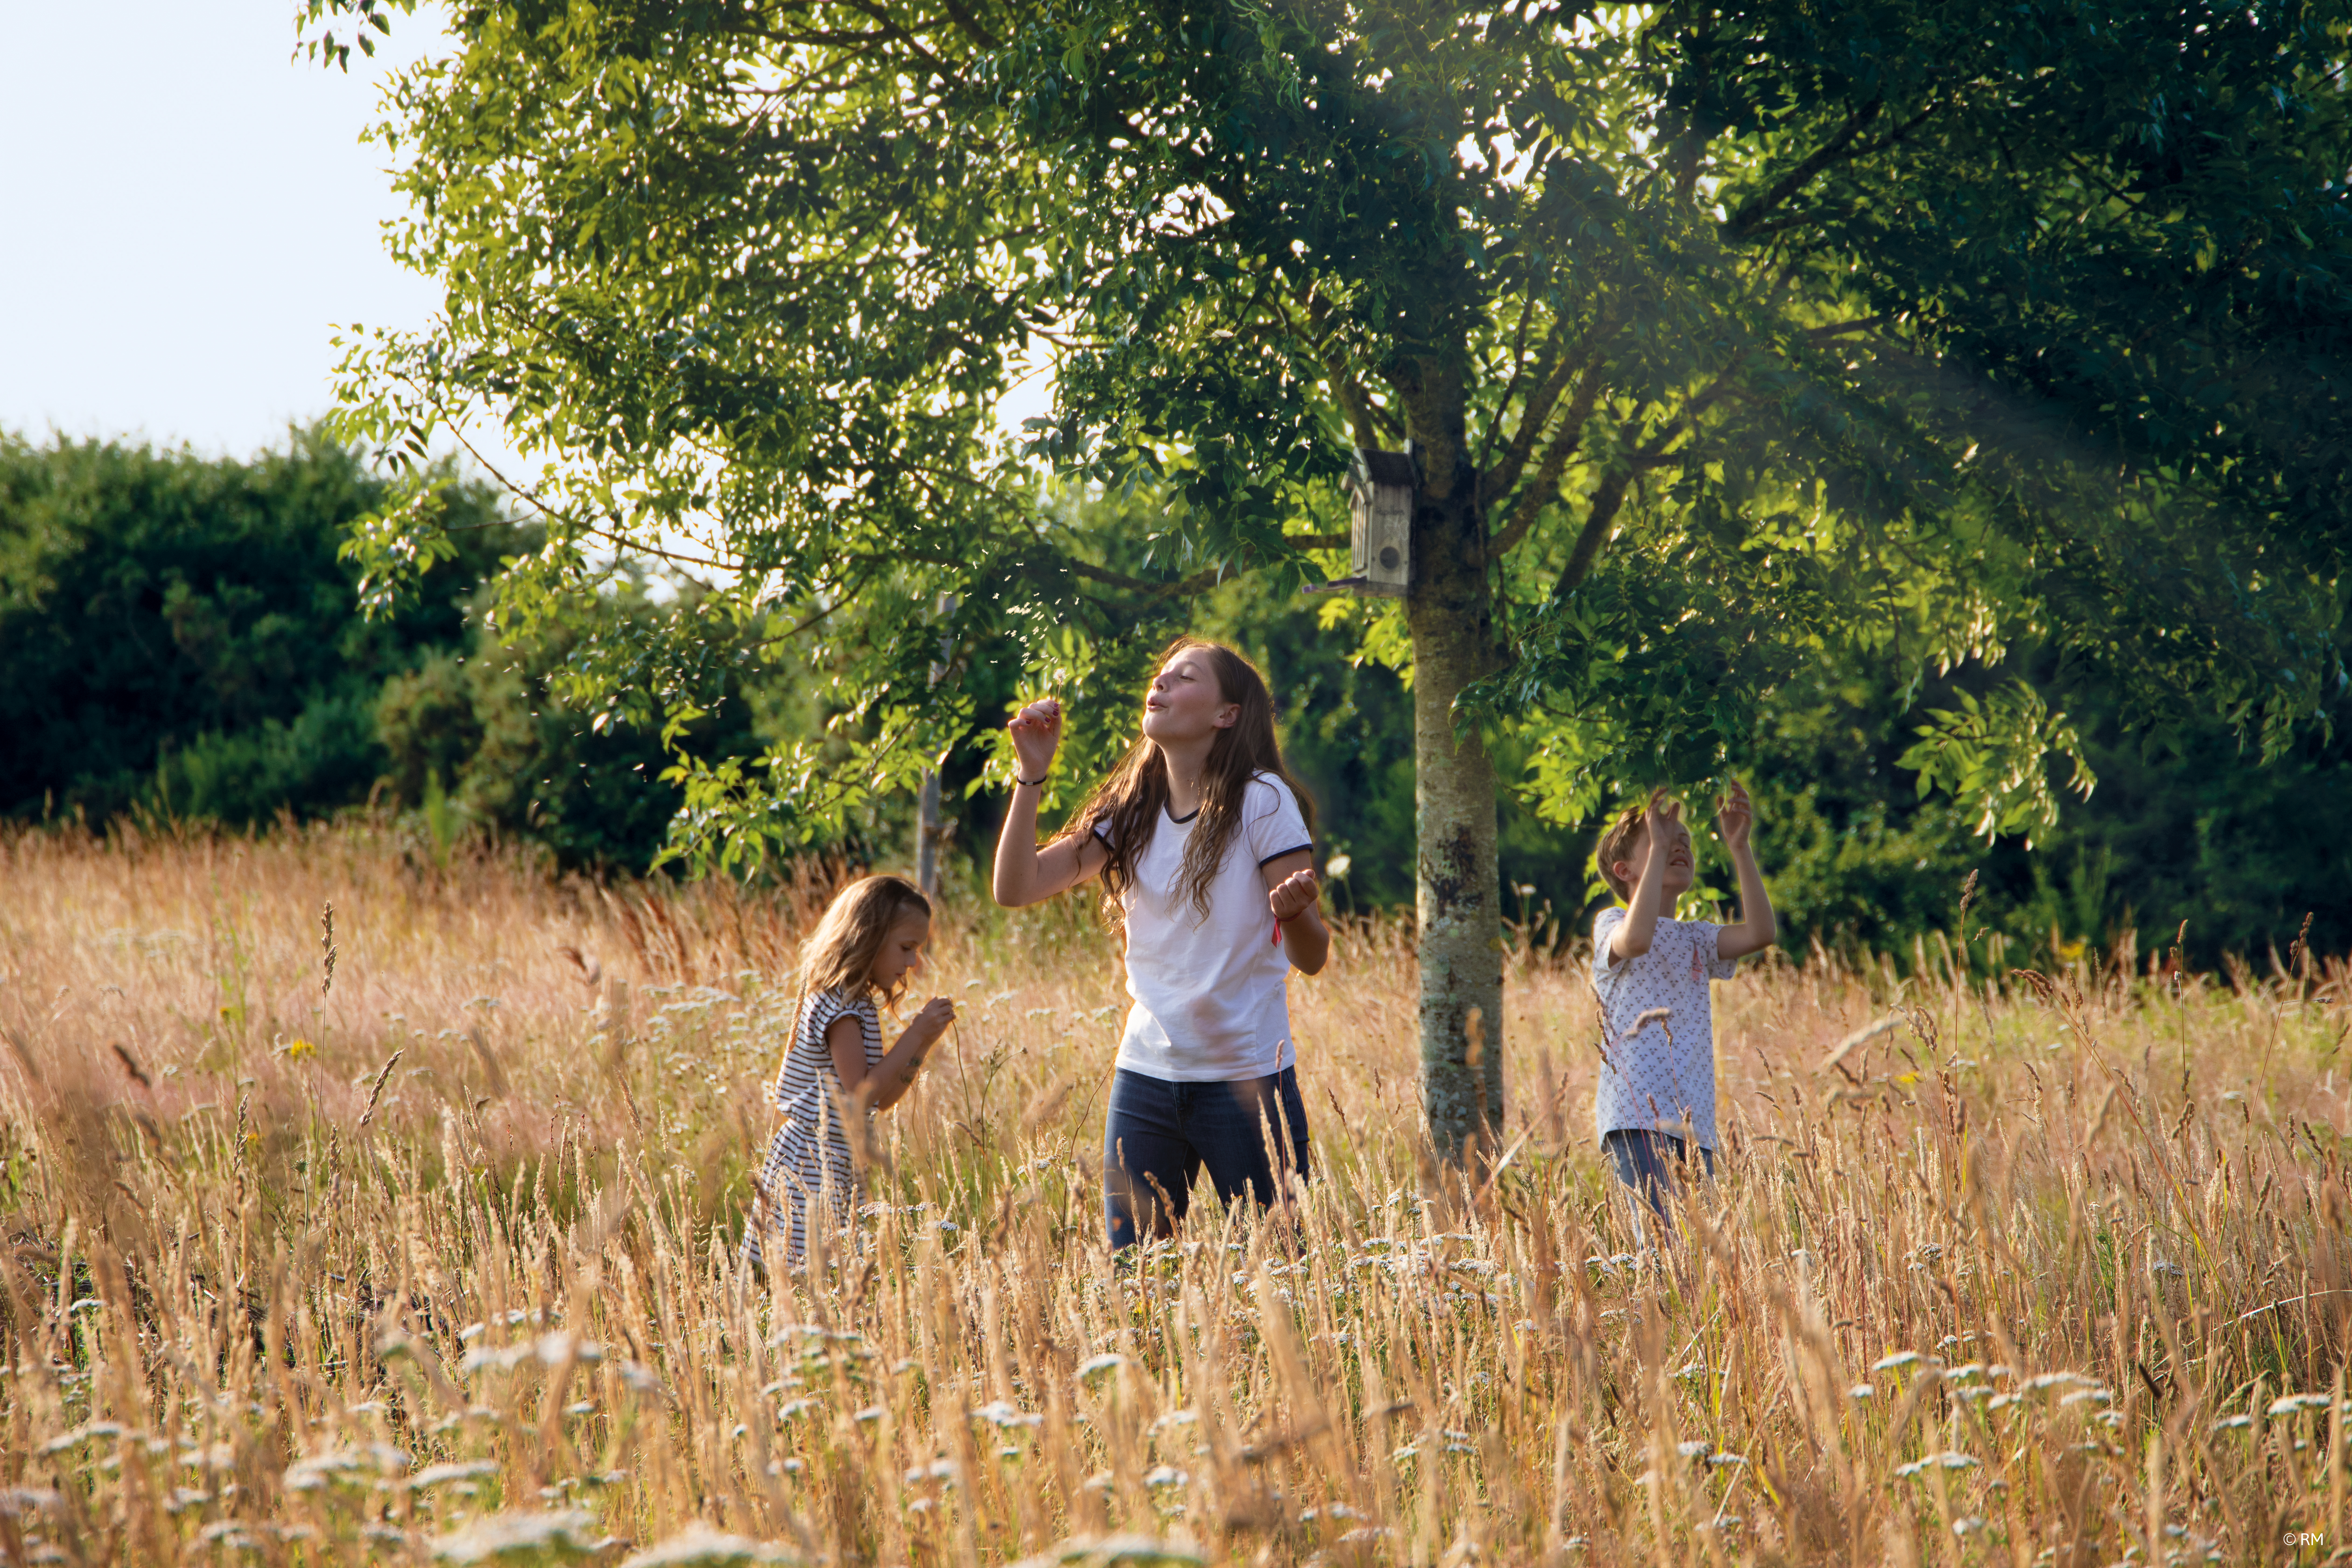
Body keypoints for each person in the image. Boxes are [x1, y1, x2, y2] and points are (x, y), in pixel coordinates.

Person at [991, 637, 1328, 1251]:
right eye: (1162, 675)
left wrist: (1298, 914)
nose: (1163, 683)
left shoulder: (1263, 801)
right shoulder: (1133, 810)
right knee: (1136, 1278)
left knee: (1283, 1273)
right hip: (1145, 1076)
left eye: (1186, 677)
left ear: (1226, 714)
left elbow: (1312, 956)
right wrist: (1031, 774)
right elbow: (1017, 887)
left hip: (1245, 1082)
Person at [1589, 782, 1777, 1242]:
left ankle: (1677, 1316)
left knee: (1695, 1251)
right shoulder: (1611, 924)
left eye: (1685, 842)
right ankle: (1650, 1314)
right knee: (1661, 1246)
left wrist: (1740, 847)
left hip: (1693, 1121)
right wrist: (1658, 847)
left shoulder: (1695, 937)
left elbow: (1760, 933)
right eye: (1660, 840)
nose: (1677, 847)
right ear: (1624, 869)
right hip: (1637, 1115)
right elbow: (1637, 941)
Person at [744, 874, 955, 1272]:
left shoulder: (857, 1003)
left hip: (840, 1159)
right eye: (906, 948)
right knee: (810, 1277)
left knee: (837, 1276)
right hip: (812, 1162)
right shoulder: (840, 1004)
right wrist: (915, 1032)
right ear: (868, 937)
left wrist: (924, 1045)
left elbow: (885, 1099)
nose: (913, 962)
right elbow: (862, 1091)